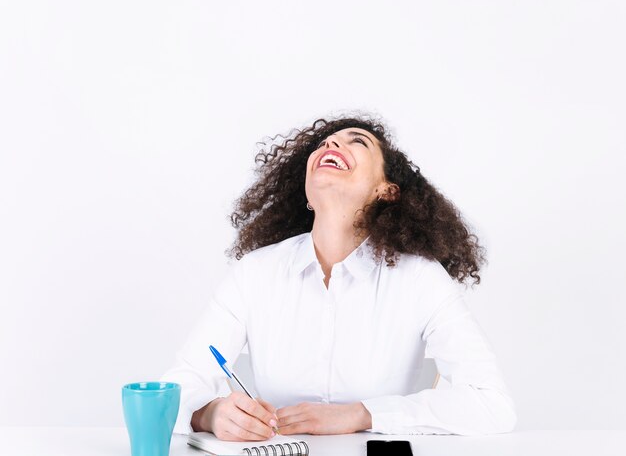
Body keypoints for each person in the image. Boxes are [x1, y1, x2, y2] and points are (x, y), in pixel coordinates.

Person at [160, 115, 517, 440]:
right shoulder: (255, 272)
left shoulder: (421, 278)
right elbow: (173, 389)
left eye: (357, 141)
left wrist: (360, 415)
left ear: (387, 189)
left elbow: (492, 405)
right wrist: (208, 414)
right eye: (325, 143)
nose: (331, 144)